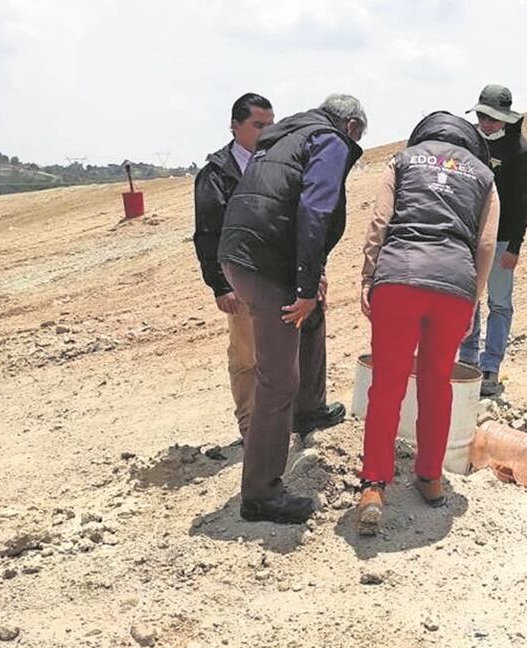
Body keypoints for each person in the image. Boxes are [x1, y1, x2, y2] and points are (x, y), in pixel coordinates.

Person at [218, 94, 366, 524]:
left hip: (242, 254)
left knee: (312, 315)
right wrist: (303, 282)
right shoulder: (330, 140)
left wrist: (310, 278)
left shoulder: (286, 138)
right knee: (277, 379)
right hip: (267, 265)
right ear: (352, 126)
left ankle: (309, 409)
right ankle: (260, 495)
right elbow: (315, 207)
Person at [355, 111, 500, 535]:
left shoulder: (401, 161)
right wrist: (473, 298)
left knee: (387, 385)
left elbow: (380, 222)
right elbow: (487, 241)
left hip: (399, 277)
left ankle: (373, 485)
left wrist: (369, 275)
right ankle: (430, 478)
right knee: (437, 383)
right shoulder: (483, 177)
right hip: (454, 283)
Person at [194, 93, 346, 444]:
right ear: (234, 127)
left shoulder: (282, 157)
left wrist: (314, 271)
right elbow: (207, 233)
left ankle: (308, 412)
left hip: (290, 274)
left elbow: (309, 217)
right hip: (247, 276)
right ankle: (252, 429)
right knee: (250, 355)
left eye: (270, 124)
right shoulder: (217, 174)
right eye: (257, 125)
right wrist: (219, 286)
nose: (266, 131)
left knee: (307, 340)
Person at [458, 84, 527, 397]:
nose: (485, 123)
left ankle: (491, 366)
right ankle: (467, 360)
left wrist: (515, 246)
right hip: (470, 238)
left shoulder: (520, 151)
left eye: (491, 117)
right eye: (481, 116)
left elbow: (524, 202)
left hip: (503, 241)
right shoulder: (471, 144)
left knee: (499, 303)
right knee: (468, 300)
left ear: (505, 118)